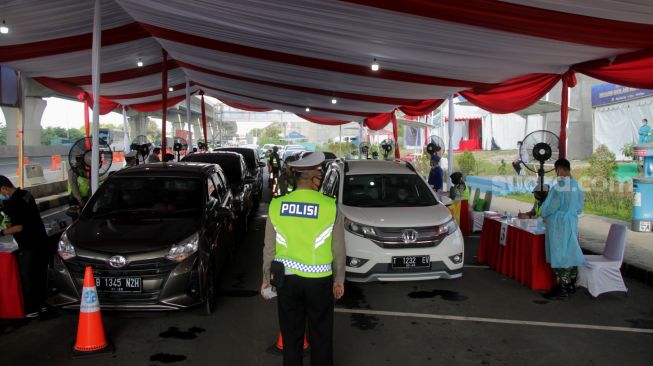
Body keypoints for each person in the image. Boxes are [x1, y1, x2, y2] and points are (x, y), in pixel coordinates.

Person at [261, 152, 345, 366]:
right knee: (321, 335)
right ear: (314, 178)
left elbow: (269, 248)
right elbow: (338, 248)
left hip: (287, 281)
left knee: (291, 336)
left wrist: (266, 278)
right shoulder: (330, 207)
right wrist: (339, 279)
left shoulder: (277, 205)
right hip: (319, 280)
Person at [0, 175, 50, 318]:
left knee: (28, 277)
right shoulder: (26, 194)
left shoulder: (13, 203)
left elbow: (18, 227)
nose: (1, 195)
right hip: (41, 240)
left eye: (0, 192)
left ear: (5, 188)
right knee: (40, 275)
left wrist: (2, 232)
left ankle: (32, 310)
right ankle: (43, 306)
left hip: (28, 245)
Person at [540, 159, 586, 300]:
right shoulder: (577, 186)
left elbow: (550, 207)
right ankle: (570, 285)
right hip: (571, 222)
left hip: (558, 225)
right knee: (570, 252)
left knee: (558, 254)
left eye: (556, 170)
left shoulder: (560, 187)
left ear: (559, 169)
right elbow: (579, 208)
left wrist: (544, 213)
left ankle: (562, 288)